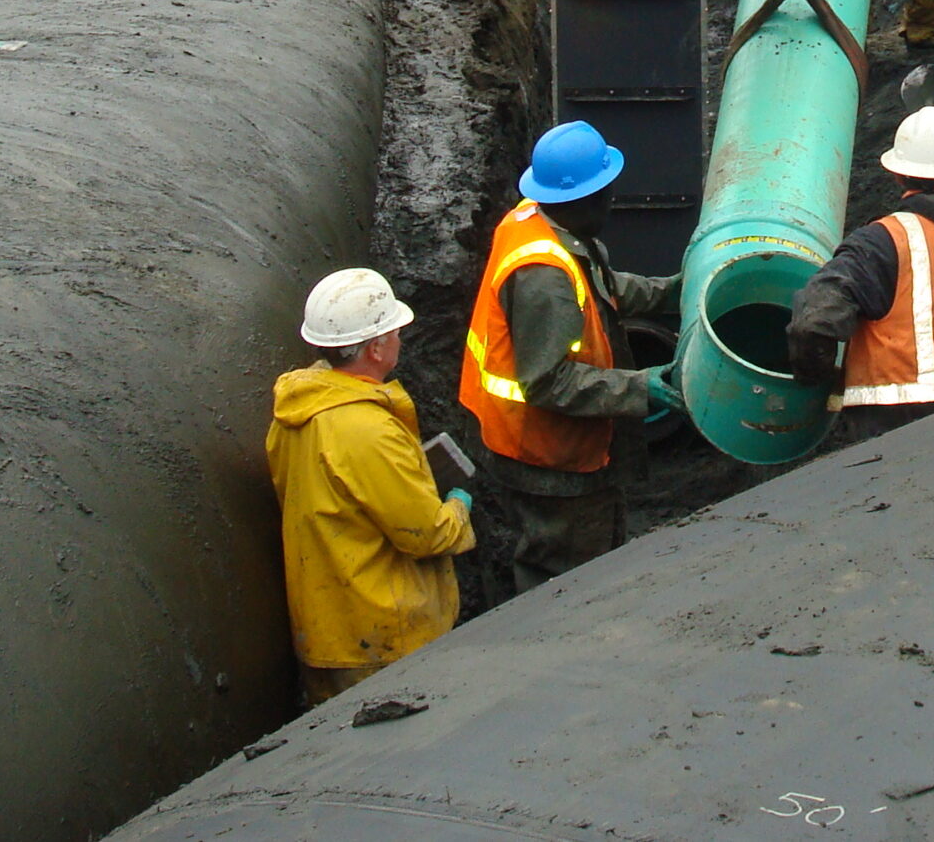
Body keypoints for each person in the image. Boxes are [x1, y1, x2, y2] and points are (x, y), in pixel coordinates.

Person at [460, 121, 682, 592]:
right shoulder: (543, 276)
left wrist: (670, 293)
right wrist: (642, 386)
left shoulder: (538, 223)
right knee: (567, 582)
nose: (611, 201)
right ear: (580, 200)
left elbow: (601, 290)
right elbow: (549, 381)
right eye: (604, 192)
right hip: (549, 459)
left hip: (543, 446)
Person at [266, 266, 476, 705]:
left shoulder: (296, 411)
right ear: (376, 348)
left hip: (330, 630)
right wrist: (457, 505)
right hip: (385, 637)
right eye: (395, 331)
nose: (401, 339)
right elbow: (427, 533)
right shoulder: (368, 430)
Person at [785, 106, 934, 429]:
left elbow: (815, 322)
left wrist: (816, 379)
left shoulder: (882, 243)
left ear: (897, 174)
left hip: (899, 418)